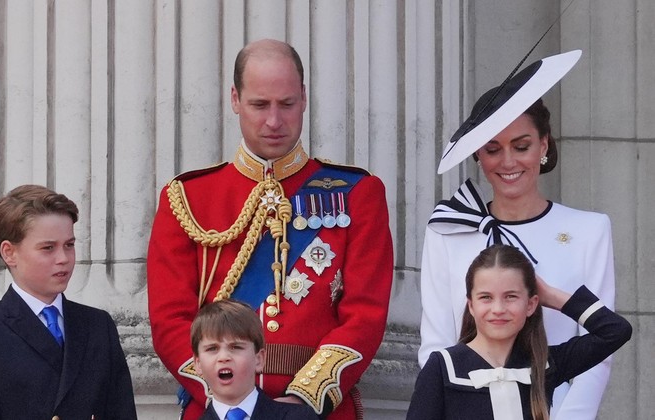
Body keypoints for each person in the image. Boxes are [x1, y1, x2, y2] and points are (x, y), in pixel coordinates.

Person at [147, 39, 394, 419]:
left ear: (305, 98)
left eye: (287, 104)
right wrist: (226, 397)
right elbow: (170, 321)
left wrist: (304, 400)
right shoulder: (187, 198)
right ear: (235, 99)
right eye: (260, 105)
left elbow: (365, 315)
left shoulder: (357, 193)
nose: (274, 121)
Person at [419, 50, 617, 418]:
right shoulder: (448, 231)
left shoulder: (590, 230)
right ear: (478, 154)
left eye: (521, 146)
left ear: (543, 145)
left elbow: (596, 355)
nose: (507, 162)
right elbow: (436, 344)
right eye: (493, 149)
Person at [0, 185, 137, 419]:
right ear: (9, 252)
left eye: (69, 245)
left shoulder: (98, 325)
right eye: (48, 248)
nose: (64, 259)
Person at [407, 244, 631, 420]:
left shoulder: (544, 364)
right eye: (486, 297)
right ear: (471, 305)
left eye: (511, 296)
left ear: (531, 305)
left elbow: (615, 331)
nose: (498, 309)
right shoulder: (443, 367)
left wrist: (551, 296)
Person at [192, 299, 320, 420]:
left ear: (259, 359)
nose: (224, 357)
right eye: (212, 349)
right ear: (198, 364)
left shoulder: (299, 417)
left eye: (235, 347)